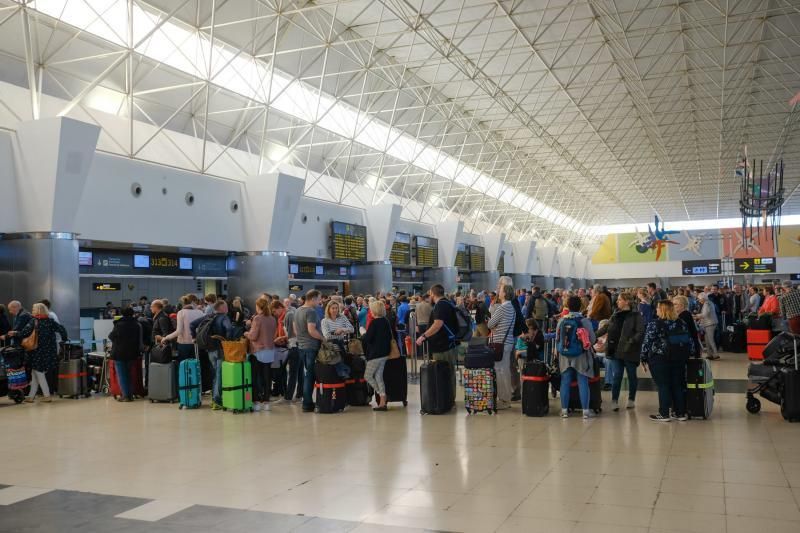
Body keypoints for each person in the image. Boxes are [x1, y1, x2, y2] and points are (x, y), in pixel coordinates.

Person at [640, 300, 695, 422]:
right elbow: (689, 341)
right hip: (679, 358)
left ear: (663, 310)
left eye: (658, 308)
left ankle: (664, 413)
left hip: (660, 359)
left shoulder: (655, 324)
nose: (656, 310)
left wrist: (643, 357)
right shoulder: (681, 323)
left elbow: (647, 342)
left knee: (663, 385)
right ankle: (680, 413)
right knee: (678, 385)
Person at [595, 292, 644, 411]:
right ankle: (614, 400)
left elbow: (640, 332)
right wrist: (593, 335)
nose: (617, 302)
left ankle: (631, 399)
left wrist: (631, 341)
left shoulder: (636, 315)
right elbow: (607, 327)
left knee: (632, 376)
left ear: (627, 301)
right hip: (615, 350)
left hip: (629, 351)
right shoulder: (615, 314)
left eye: (619, 300)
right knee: (617, 376)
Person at [11, 302, 69, 403]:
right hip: (49, 351)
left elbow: (24, 333)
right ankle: (31, 396)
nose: (32, 310)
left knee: (39, 373)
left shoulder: (34, 321)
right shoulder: (50, 321)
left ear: (38, 311)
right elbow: (62, 329)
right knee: (35, 373)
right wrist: (64, 339)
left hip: (36, 351)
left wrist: (14, 333)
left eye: (33, 309)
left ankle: (47, 395)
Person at [416, 284, 459, 399]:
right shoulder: (448, 303)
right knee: (449, 372)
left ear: (432, 294)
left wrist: (423, 336)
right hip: (449, 344)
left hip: (443, 346)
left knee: (443, 373)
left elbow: (437, 324)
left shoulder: (440, 306)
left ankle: (445, 399)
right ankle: (449, 398)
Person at [557, 296, 596, 419]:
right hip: (581, 355)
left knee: (565, 381)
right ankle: (585, 411)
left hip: (564, 355)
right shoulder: (584, 321)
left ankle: (564, 411)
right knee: (582, 381)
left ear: (567, 305)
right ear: (581, 306)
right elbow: (592, 339)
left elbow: (557, 338)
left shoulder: (562, 320)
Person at [487, 284, 517, 409]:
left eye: (500, 290)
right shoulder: (512, 308)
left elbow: (490, 324)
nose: (498, 292)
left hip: (500, 342)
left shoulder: (501, 308)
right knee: (505, 370)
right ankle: (507, 398)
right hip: (508, 342)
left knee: (499, 371)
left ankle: (504, 400)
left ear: (505, 294)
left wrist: (494, 327)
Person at [294, 290, 324, 413]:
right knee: (310, 375)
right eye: (318, 299)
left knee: (307, 374)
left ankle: (306, 401)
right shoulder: (310, 311)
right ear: (312, 299)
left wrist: (301, 339)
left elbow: (295, 329)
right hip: (311, 347)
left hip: (301, 346)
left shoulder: (297, 310)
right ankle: (307, 403)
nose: (320, 301)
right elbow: (312, 330)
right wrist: (323, 338)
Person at [245, 298, 277, 412]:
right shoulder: (272, 319)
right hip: (270, 350)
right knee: (267, 377)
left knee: (255, 377)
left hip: (258, 351)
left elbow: (253, 336)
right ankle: (267, 402)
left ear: (258, 307)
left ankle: (256, 402)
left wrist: (246, 333)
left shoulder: (257, 318)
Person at [361, 299, 393, 411]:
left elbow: (368, 339)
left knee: (368, 376)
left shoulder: (374, 323)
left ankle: (382, 395)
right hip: (385, 353)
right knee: (379, 377)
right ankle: (382, 402)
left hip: (375, 354)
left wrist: (363, 334)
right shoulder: (385, 321)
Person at [108, 307, 143, 402]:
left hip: (119, 353)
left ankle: (126, 396)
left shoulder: (119, 324)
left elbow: (111, 336)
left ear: (122, 314)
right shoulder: (137, 324)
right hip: (133, 353)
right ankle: (130, 394)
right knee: (129, 374)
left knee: (122, 375)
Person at [207, 300, 235, 410]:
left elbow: (193, 324)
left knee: (214, 374)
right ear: (222, 308)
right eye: (226, 306)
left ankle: (214, 399)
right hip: (220, 349)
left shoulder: (209, 316)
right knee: (219, 375)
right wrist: (228, 341)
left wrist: (194, 336)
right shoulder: (224, 317)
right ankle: (217, 400)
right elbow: (229, 329)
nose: (227, 308)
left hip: (210, 349)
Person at [161, 295, 204, 362]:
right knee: (196, 367)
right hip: (197, 344)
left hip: (184, 344)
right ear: (194, 302)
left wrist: (166, 337)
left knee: (184, 367)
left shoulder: (181, 313)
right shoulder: (200, 312)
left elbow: (179, 331)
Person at [283, 298, 302, 402]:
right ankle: (299, 394)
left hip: (293, 346)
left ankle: (288, 396)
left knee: (293, 373)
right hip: (300, 345)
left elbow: (289, 332)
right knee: (300, 372)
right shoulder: (297, 314)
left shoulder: (289, 315)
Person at [695, 293, 719, 360]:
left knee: (710, 340)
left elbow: (705, 314)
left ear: (703, 298)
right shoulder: (708, 303)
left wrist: (696, 316)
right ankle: (709, 355)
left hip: (710, 324)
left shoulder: (707, 304)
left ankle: (716, 354)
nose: (699, 301)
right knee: (707, 340)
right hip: (708, 324)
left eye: (699, 299)